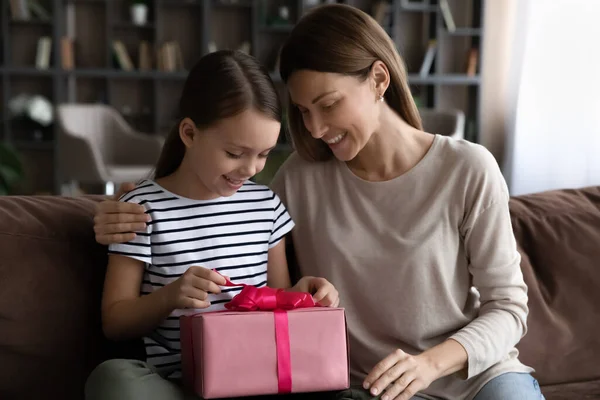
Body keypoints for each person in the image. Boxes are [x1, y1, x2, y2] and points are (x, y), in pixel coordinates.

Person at [92, 4, 546, 400]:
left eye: (328, 104)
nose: (314, 128)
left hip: (475, 380)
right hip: (364, 388)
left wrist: (429, 364)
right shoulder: (298, 181)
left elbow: (508, 309)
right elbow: (209, 186)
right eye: (303, 112)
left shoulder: (468, 169)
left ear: (378, 79)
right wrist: (114, 208)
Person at [84, 49, 340, 400]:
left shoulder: (265, 206)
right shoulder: (141, 209)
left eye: (263, 154)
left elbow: (276, 303)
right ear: (189, 133)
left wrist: (302, 296)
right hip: (177, 383)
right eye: (235, 154)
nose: (251, 169)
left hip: (255, 378)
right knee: (113, 379)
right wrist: (170, 297)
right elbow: (115, 322)